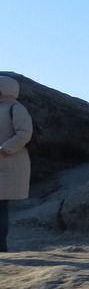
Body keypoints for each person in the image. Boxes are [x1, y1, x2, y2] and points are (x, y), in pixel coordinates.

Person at [0, 75, 34, 252]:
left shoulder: (16, 108)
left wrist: (4, 150)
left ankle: (1, 247)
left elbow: (24, 133)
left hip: (10, 165)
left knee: (0, 207)